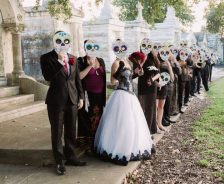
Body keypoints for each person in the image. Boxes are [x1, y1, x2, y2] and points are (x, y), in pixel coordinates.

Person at [94, 39, 154, 166]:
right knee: (122, 122)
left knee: (132, 122)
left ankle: (131, 147)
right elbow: (112, 82)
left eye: (123, 48)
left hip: (131, 95)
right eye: (118, 48)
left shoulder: (127, 61)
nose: (121, 50)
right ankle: (119, 149)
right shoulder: (116, 63)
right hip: (120, 95)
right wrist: (117, 72)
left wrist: (137, 74)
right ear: (115, 49)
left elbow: (129, 78)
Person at [40, 31, 86, 176]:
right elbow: (47, 76)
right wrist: (60, 61)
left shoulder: (73, 58)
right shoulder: (46, 58)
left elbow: (77, 79)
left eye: (65, 41)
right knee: (57, 131)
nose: (62, 44)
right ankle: (59, 161)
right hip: (56, 101)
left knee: (71, 130)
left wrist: (81, 97)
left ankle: (71, 156)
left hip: (72, 100)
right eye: (59, 41)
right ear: (55, 41)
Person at [77, 40, 106, 152]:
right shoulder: (81, 60)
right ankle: (86, 143)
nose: (92, 49)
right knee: (87, 118)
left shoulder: (101, 60)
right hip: (87, 95)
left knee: (98, 117)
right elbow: (79, 77)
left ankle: (96, 141)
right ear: (85, 48)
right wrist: (90, 67)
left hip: (100, 95)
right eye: (89, 47)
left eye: (95, 47)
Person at [137, 39, 160, 134]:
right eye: (144, 45)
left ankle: (150, 130)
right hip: (142, 88)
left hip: (152, 88)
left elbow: (158, 73)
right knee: (143, 110)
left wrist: (153, 79)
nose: (146, 48)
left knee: (151, 109)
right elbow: (136, 73)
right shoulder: (137, 59)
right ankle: (143, 132)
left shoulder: (152, 60)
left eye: (148, 46)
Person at [156, 46, 174, 131]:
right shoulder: (157, 61)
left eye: (167, 52)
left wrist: (169, 64)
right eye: (162, 52)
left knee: (161, 106)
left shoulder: (168, 62)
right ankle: (155, 125)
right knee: (155, 106)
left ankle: (159, 124)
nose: (164, 54)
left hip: (165, 87)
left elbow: (172, 77)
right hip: (157, 85)